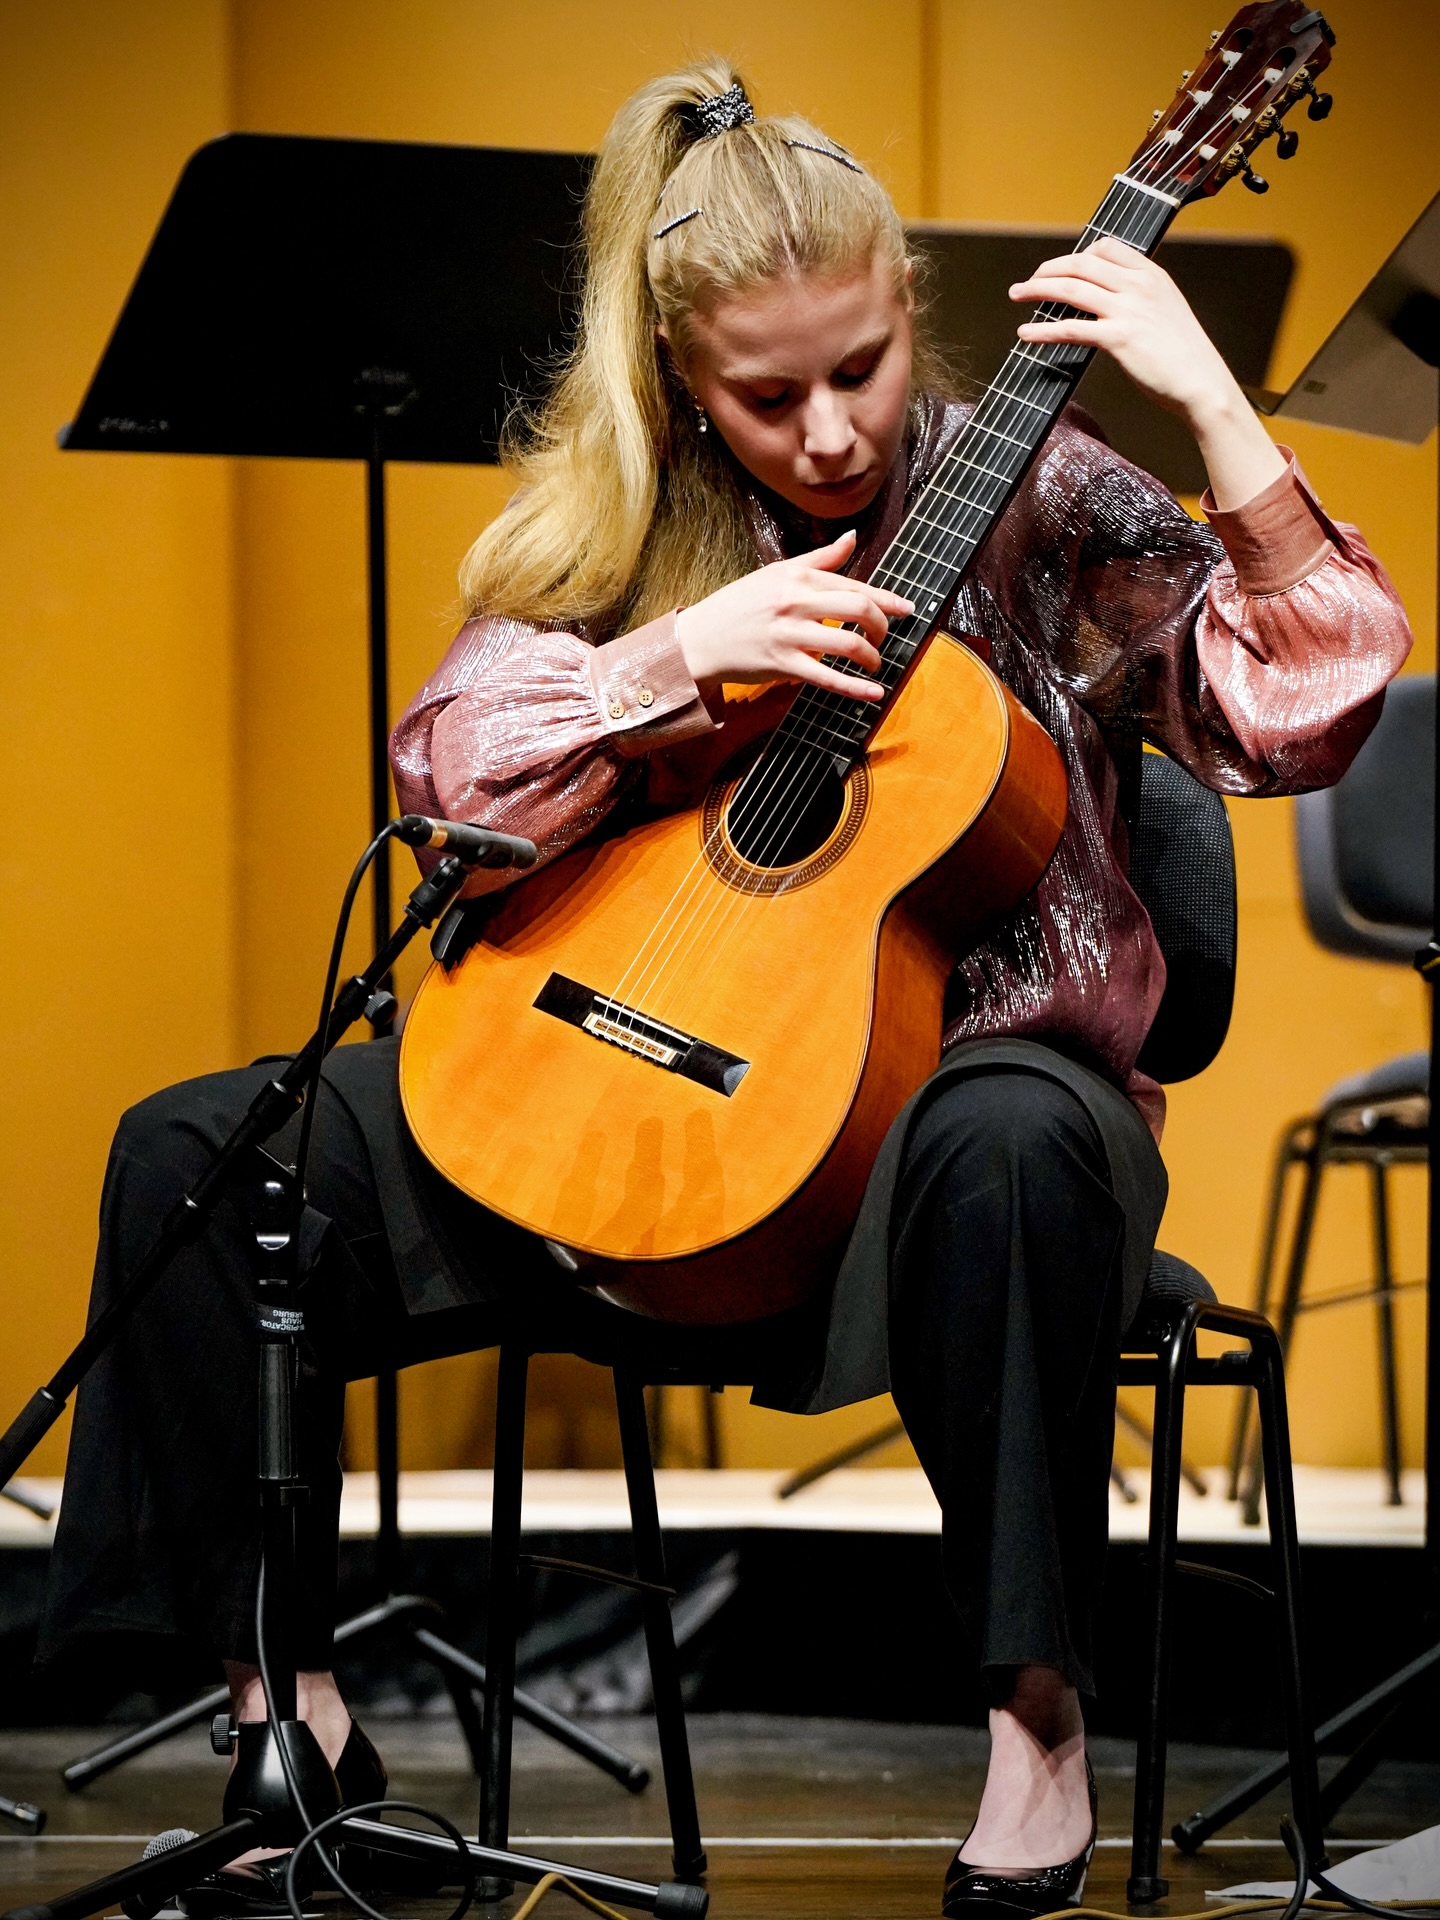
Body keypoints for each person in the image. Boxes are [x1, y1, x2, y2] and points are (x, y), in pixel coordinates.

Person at [42, 60, 1411, 1919]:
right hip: (630, 1101)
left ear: (907, 314)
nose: (832, 429)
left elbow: (1301, 713)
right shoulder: (625, 517)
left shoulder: (1050, 490)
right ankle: (285, 1701)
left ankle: (1034, 1720)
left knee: (1014, 1146)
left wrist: (1215, 410)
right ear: (685, 377)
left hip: (950, 1113)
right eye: (769, 396)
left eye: (858, 369)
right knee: (204, 1152)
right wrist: (665, 663)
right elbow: (447, 769)